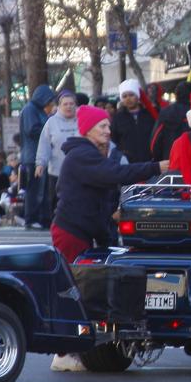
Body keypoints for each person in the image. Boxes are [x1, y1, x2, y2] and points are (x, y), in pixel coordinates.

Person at [51, 106, 168, 263]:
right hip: (71, 232)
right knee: (75, 281)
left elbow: (100, 199)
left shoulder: (87, 153)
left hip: (79, 231)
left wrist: (105, 239)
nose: (108, 131)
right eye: (102, 126)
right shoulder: (82, 155)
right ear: (88, 129)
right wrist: (156, 167)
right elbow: (116, 173)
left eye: (108, 126)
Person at [35, 90, 79, 223]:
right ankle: (58, 227)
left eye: (72, 104)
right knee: (57, 202)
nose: (69, 106)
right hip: (57, 171)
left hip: (79, 171)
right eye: (65, 104)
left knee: (77, 201)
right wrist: (40, 163)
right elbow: (44, 144)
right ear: (59, 106)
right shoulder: (51, 122)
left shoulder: (81, 120)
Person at [20, 85, 57, 229]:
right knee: (35, 189)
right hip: (33, 156)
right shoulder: (30, 109)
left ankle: (43, 217)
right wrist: (49, 129)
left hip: (40, 155)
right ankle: (31, 218)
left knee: (42, 190)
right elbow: (32, 129)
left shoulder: (38, 110)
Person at [111, 79, 156, 163]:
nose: (128, 99)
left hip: (150, 161)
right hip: (127, 164)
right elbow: (114, 140)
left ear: (137, 96)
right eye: (124, 96)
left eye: (131, 95)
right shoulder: (117, 118)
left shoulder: (150, 115)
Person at [150, 81, 191, 162]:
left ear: (176, 94)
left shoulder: (165, 112)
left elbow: (155, 139)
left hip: (170, 159)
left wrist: (157, 158)